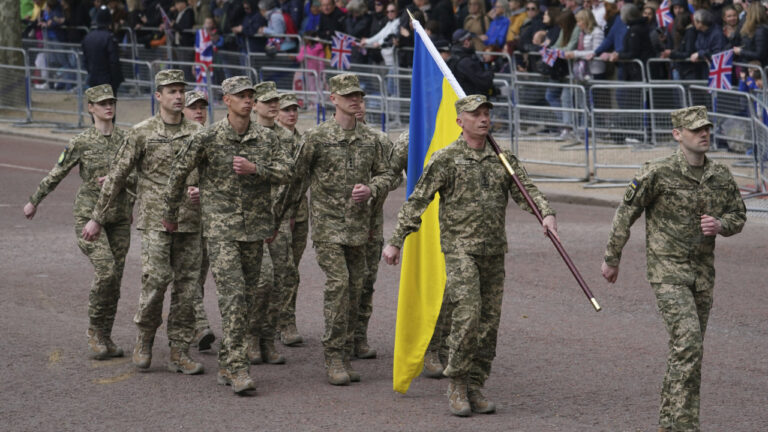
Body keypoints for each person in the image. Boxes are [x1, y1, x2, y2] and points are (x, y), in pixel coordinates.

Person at [382, 95, 558, 417]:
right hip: (460, 249)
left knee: (489, 323)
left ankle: (476, 385)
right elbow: (417, 200)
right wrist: (396, 241)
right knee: (469, 313)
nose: (483, 118)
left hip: (493, 251)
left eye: (487, 113)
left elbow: (527, 191)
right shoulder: (446, 158)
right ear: (460, 120)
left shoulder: (502, 159)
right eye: (476, 114)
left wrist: (545, 214)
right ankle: (457, 384)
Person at [600, 105, 746, 432]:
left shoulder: (720, 175)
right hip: (667, 272)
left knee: (687, 351)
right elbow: (627, 212)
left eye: (706, 128)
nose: (704, 134)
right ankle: (684, 426)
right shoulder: (658, 171)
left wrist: (722, 225)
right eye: (695, 130)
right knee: (689, 342)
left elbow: (739, 215)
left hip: (703, 275)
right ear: (678, 135)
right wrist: (612, 257)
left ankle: (669, 422)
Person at [162, 76, 293, 394]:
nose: (248, 100)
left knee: (247, 300)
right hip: (221, 231)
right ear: (227, 100)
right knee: (233, 298)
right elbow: (178, 173)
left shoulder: (266, 138)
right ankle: (237, 369)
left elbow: (289, 172)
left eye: (251, 95)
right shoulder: (208, 138)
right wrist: (169, 214)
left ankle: (226, 361)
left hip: (255, 231)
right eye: (241, 96)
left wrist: (256, 170)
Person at [83, 70, 205, 376]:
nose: (178, 96)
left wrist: (202, 190)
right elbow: (117, 178)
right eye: (171, 91)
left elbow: (213, 175)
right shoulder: (141, 132)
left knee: (188, 289)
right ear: (158, 96)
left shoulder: (199, 133)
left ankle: (179, 350)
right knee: (156, 282)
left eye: (181, 90)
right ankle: (145, 339)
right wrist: (97, 217)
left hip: (191, 221)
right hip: (155, 222)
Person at [288, 73, 395, 386]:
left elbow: (389, 175)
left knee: (356, 289)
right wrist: (284, 217)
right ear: (332, 99)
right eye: (348, 95)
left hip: (359, 229)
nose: (354, 100)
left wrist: (372, 188)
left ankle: (346, 352)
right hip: (328, 228)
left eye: (358, 96)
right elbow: (296, 179)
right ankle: (334, 356)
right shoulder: (317, 138)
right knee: (340, 283)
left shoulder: (371, 140)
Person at [23, 84, 135, 360]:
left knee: (116, 279)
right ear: (91, 108)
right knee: (106, 271)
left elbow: (139, 177)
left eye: (111, 102)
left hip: (118, 217)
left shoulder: (127, 139)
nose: (108, 106)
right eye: (102, 103)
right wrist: (34, 200)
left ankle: (106, 335)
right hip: (88, 215)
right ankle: (95, 332)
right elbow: (57, 172)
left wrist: (120, 183)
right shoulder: (81, 141)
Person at [246, 81, 297, 365]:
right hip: (252, 219)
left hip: (278, 218)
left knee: (282, 279)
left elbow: (293, 179)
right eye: (267, 101)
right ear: (255, 105)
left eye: (275, 100)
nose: (273, 105)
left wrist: (286, 215)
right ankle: (251, 335)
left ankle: (268, 337)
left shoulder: (287, 138)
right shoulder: (247, 135)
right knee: (261, 281)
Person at [182, 90, 217, 352]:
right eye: (193, 107)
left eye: (202, 107)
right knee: (189, 276)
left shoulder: (214, 138)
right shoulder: (175, 138)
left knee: (199, 277)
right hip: (182, 220)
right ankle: (199, 325)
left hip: (210, 220)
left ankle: (189, 325)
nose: (199, 112)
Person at [275, 93, 308, 346]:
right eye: (286, 110)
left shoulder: (304, 140)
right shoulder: (270, 138)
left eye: (294, 109)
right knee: (274, 271)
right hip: (275, 213)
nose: (291, 114)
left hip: (299, 212)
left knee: (291, 271)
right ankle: (273, 322)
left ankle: (286, 320)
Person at [81, 5, 123, 93]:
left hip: (93, 79)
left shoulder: (88, 37)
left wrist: (91, 72)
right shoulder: (109, 38)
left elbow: (84, 60)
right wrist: (116, 80)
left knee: (96, 104)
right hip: (107, 80)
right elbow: (114, 61)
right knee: (108, 105)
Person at [447, 29, 495, 97]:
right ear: (466, 42)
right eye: (471, 39)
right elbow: (483, 82)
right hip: (472, 102)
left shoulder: (455, 57)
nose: (473, 42)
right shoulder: (465, 62)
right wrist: (490, 71)